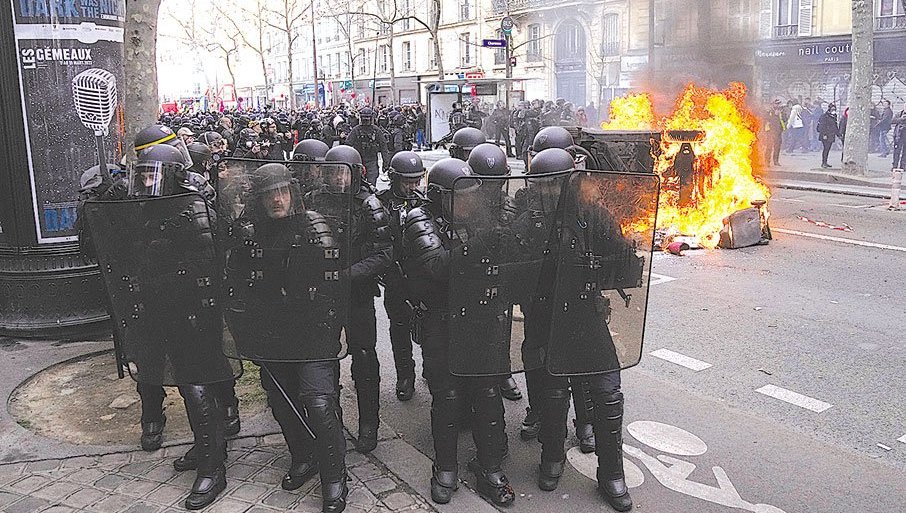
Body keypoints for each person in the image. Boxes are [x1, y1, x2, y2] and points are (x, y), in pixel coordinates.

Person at [85, 144, 239, 509]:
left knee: (197, 385)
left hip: (194, 313)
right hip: (159, 310)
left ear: (173, 176)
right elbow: (110, 249)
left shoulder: (193, 208)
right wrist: (105, 205)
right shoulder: (141, 208)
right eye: (141, 175)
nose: (144, 182)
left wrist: (166, 262)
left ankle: (213, 467)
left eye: (151, 175)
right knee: (177, 381)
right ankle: (208, 445)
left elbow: (209, 267)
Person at [220, 161, 350, 512]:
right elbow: (237, 287)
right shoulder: (250, 235)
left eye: (282, 191)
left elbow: (334, 286)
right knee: (281, 402)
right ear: (259, 200)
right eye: (269, 194)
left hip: (312, 335)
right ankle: (303, 455)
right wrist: (249, 331)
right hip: (272, 334)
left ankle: (335, 475)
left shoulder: (314, 227)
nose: (277, 199)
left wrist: (326, 331)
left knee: (319, 403)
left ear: (292, 193)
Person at [399, 158, 516, 506]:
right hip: (441, 320)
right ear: (439, 196)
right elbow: (437, 266)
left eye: (471, 194)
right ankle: (445, 468)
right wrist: (482, 242)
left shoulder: (478, 217)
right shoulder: (419, 219)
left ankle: (490, 467)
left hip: (480, 316)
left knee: (487, 393)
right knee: (447, 397)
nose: (468, 202)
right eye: (460, 196)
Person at [322, 145, 394, 453]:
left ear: (356, 174)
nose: (339, 179)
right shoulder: (317, 200)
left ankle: (369, 424)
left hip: (358, 294)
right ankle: (331, 422)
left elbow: (384, 253)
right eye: (334, 173)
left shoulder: (369, 205)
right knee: (325, 359)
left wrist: (348, 275)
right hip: (324, 295)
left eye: (344, 173)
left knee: (364, 358)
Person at [377, 151, 428, 402]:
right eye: (408, 182)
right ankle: (405, 375)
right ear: (395, 179)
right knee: (399, 327)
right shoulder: (381, 203)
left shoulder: (425, 201)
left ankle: (431, 366)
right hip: (395, 276)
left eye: (417, 181)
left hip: (423, 275)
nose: (413, 187)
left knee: (429, 325)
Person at [346, 108, 391, 185]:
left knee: (371, 185)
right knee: (358, 185)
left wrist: (385, 163)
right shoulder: (356, 130)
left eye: (367, 118)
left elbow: (384, 147)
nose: (366, 120)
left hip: (371, 161)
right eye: (364, 118)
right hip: (359, 161)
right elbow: (347, 146)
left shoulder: (376, 131)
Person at [816, 103, 841, 168]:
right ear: (829, 109)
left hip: (831, 135)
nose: (833, 110)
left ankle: (825, 162)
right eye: (832, 109)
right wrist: (824, 134)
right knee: (826, 148)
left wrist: (838, 134)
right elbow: (822, 126)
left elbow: (835, 126)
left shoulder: (834, 116)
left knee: (828, 149)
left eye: (834, 109)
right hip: (825, 135)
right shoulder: (825, 116)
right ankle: (823, 162)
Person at [764, 100, 785, 166]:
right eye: (776, 104)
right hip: (770, 132)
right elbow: (766, 119)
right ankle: (767, 161)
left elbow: (784, 119)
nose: (777, 105)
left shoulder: (781, 112)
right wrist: (775, 115)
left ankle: (776, 161)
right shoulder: (769, 111)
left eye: (779, 104)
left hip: (778, 132)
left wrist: (781, 114)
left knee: (777, 147)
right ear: (773, 104)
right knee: (769, 147)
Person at [893, 106, 906, 171]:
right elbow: (893, 120)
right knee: (897, 151)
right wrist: (901, 119)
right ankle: (895, 165)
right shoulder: (899, 113)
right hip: (899, 135)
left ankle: (903, 166)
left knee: (905, 151)